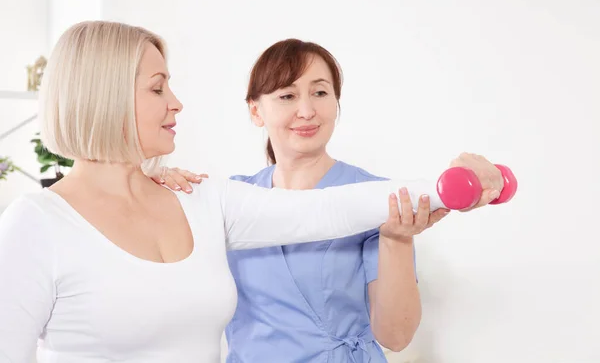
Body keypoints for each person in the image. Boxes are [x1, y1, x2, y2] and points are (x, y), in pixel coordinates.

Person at [0, 22, 504, 363]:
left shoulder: (201, 199)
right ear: (102, 95)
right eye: (157, 88)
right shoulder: (36, 224)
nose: (176, 102)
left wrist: (446, 186)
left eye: (320, 92)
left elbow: (328, 210)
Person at [159, 39, 505, 362]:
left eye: (320, 92)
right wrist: (159, 186)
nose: (307, 111)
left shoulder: (375, 199)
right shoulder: (231, 199)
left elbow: (396, 336)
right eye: (287, 96)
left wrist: (397, 238)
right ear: (255, 111)